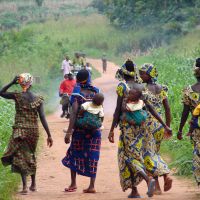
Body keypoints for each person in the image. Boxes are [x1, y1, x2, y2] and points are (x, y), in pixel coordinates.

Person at [108, 60, 171, 198]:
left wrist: (112, 129)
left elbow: (118, 109)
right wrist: (165, 125)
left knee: (128, 157)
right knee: (142, 154)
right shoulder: (141, 87)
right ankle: (134, 191)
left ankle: (148, 180)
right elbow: (150, 107)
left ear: (123, 73)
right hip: (142, 128)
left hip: (127, 128)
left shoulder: (122, 86)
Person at [0, 73, 53, 194]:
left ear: (20, 83)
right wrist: (49, 135)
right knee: (31, 155)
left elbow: (1, 92)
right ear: (31, 83)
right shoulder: (38, 99)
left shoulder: (17, 95)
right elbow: (43, 117)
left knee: (20, 156)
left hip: (20, 131)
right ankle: (33, 184)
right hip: (33, 132)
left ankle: (24, 187)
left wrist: (11, 83)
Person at [62, 69, 101, 193]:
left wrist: (69, 132)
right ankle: (92, 185)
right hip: (95, 130)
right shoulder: (96, 92)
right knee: (93, 156)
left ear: (77, 79)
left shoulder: (77, 94)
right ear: (88, 78)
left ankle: (73, 183)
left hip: (80, 131)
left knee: (74, 154)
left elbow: (73, 113)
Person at [139, 63, 172, 195]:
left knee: (148, 155)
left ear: (150, 74)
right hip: (160, 124)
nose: (141, 75)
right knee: (155, 153)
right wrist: (167, 126)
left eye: (143, 73)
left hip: (147, 125)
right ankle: (164, 177)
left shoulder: (143, 89)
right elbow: (167, 109)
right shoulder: (162, 88)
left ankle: (161, 180)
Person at [178, 58, 200, 186]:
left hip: (196, 128)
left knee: (198, 152)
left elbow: (185, 112)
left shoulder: (189, 90)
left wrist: (180, 130)